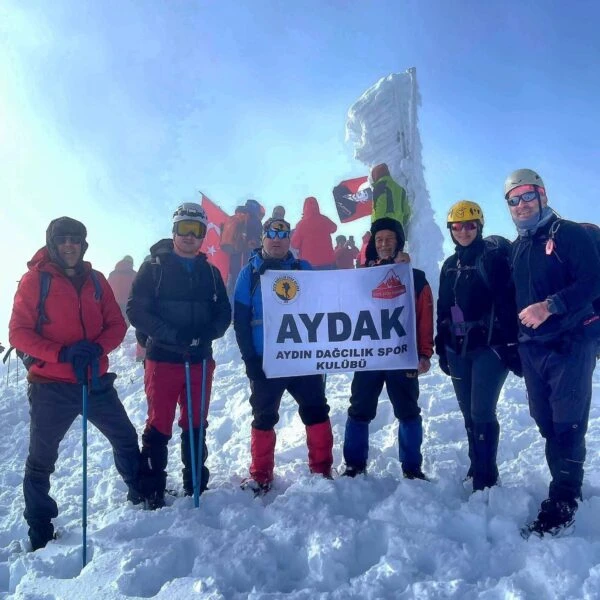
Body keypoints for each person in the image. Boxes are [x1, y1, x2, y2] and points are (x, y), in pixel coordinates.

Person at [9, 216, 144, 551]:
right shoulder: (34, 280)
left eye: (76, 239)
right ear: (53, 243)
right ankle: (39, 529)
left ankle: (140, 492)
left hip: (94, 380)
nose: (70, 244)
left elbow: (115, 323)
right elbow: (18, 333)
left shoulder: (97, 280)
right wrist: (61, 353)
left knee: (125, 438)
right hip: (50, 385)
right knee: (41, 461)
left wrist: (97, 347)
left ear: (84, 244)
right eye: (63, 238)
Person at [504, 168, 600, 537]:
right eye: (514, 199)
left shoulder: (569, 233)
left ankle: (564, 498)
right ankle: (563, 481)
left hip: (571, 343)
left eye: (528, 195)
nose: (522, 204)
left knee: (568, 424)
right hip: (533, 350)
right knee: (545, 422)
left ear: (542, 194)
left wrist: (552, 305)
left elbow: (594, 279)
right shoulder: (520, 247)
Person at [127, 202, 231, 509]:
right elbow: (136, 309)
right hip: (163, 359)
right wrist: (173, 335)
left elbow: (223, 313)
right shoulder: (154, 267)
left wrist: (206, 334)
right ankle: (153, 488)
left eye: (196, 230)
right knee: (159, 423)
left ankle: (196, 482)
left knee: (196, 422)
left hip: (199, 359)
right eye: (184, 229)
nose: (189, 236)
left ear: (202, 236)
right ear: (174, 232)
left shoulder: (210, 273)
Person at [233, 217, 334, 495]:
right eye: (271, 234)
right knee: (264, 416)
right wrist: (250, 360)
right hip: (267, 360)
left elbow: (330, 301)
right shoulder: (249, 273)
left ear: (290, 239)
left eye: (283, 234)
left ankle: (322, 469)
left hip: (303, 358)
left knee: (315, 411)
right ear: (263, 238)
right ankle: (261, 475)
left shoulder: (304, 269)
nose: (277, 240)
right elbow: (240, 321)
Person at [435, 201, 519, 491]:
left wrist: (509, 343)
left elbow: (507, 302)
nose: (463, 231)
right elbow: (443, 307)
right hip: (457, 348)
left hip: (489, 347)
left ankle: (487, 476)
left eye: (470, 225)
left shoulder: (492, 258)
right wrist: (439, 342)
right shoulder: (449, 265)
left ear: (479, 226)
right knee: (468, 412)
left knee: (482, 411)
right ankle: (476, 466)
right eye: (457, 227)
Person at [342, 217, 433, 480]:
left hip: (402, 356)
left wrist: (425, 353)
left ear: (399, 243)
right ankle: (354, 465)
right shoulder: (361, 278)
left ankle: (412, 467)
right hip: (368, 357)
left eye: (389, 239)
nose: (383, 244)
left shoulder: (415, 278)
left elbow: (424, 315)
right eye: (379, 239)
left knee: (408, 411)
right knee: (359, 409)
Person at [291, 196, 337, 269]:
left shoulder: (301, 224)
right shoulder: (324, 219)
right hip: (327, 261)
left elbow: (295, 244)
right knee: (326, 280)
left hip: (308, 263)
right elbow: (334, 228)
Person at [370, 163, 411, 230]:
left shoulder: (380, 186)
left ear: (376, 175)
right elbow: (407, 212)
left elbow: (380, 208)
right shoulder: (401, 189)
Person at [107, 255, 137, 322]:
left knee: (114, 323)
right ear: (131, 263)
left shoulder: (112, 274)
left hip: (113, 303)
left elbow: (106, 288)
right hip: (128, 304)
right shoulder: (134, 274)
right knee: (125, 324)